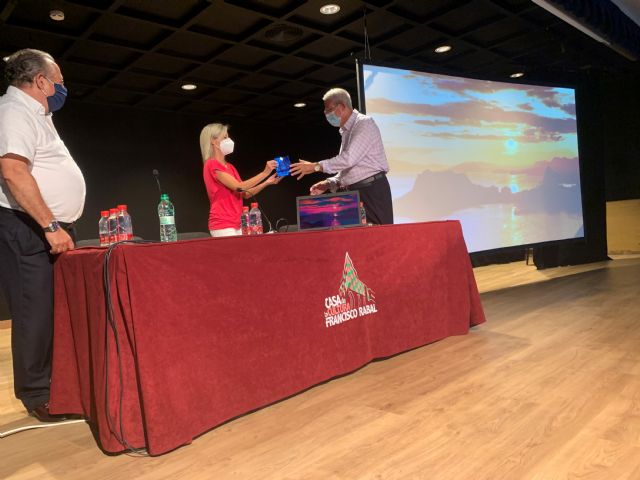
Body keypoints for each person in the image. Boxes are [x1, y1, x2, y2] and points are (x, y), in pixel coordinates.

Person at [0, 49, 85, 421]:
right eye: (59, 80)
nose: (62, 87)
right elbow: (14, 172)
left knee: (50, 309)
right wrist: (50, 226)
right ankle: (38, 396)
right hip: (28, 227)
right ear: (41, 81)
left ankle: (56, 384)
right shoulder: (14, 112)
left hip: (43, 227)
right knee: (34, 310)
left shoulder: (36, 114)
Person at [290, 87, 394, 225]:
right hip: (354, 194)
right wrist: (329, 183)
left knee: (379, 240)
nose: (326, 114)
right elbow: (348, 171)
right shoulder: (346, 131)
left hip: (371, 191)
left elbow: (349, 159)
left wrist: (316, 166)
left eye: (328, 110)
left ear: (341, 107)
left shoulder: (364, 123)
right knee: (356, 242)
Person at [200, 123, 281, 237]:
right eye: (225, 137)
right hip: (223, 224)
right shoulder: (212, 164)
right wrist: (265, 173)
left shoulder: (230, 167)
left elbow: (244, 194)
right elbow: (239, 186)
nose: (229, 140)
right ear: (213, 141)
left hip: (238, 223)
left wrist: (267, 182)